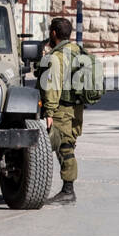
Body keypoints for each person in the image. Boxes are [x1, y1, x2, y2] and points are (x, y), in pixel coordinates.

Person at [39, 16, 84, 205]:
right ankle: (67, 189)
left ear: (54, 33)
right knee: (68, 145)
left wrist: (49, 112)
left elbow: (53, 87)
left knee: (63, 148)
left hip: (61, 110)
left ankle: (68, 191)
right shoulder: (78, 52)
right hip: (76, 109)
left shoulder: (57, 57)